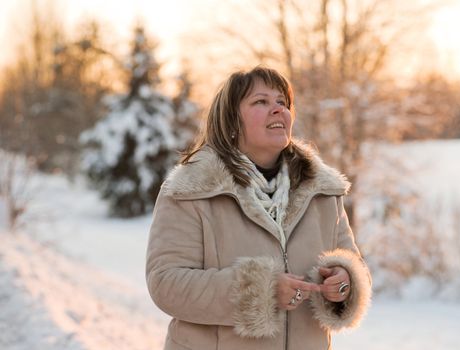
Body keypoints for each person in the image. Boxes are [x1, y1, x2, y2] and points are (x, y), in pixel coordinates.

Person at [146, 66, 371, 350]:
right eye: (261, 102)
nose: (278, 110)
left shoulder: (322, 191)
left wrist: (344, 282)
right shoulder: (191, 190)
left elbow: (351, 263)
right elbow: (166, 283)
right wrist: (259, 291)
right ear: (231, 121)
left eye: (282, 102)